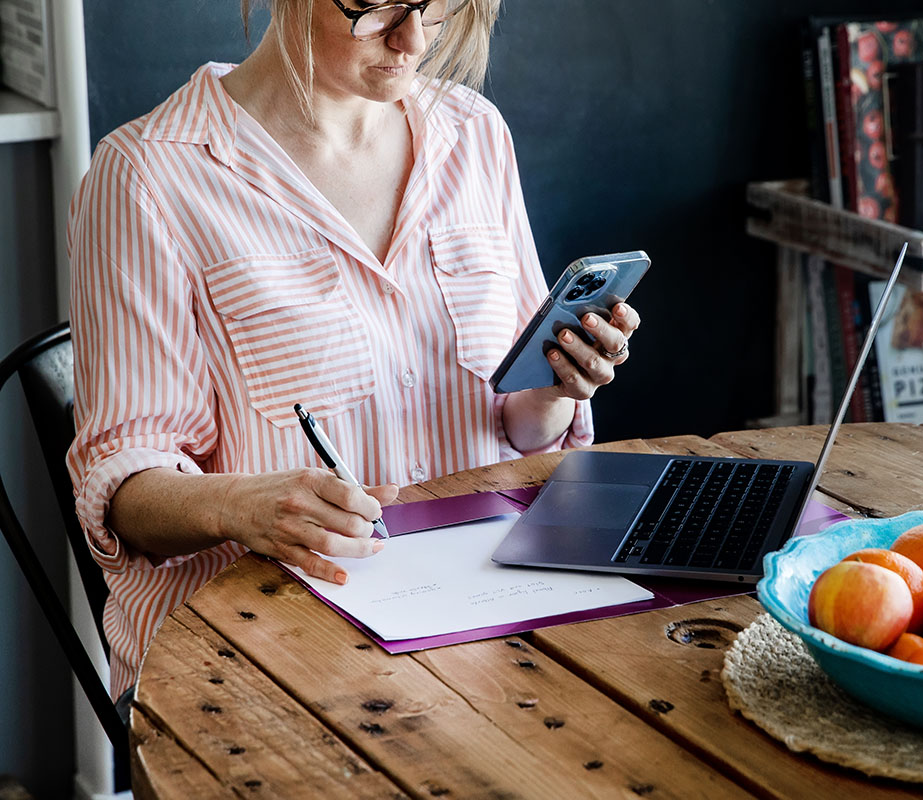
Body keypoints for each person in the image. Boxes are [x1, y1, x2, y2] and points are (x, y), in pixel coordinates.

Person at [66, 0, 641, 705]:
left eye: (437, 10)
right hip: (263, 655)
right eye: (377, 9)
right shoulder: (148, 177)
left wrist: (556, 389)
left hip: (482, 618)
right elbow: (122, 488)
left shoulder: (474, 134)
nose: (411, 42)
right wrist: (240, 506)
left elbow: (516, 426)